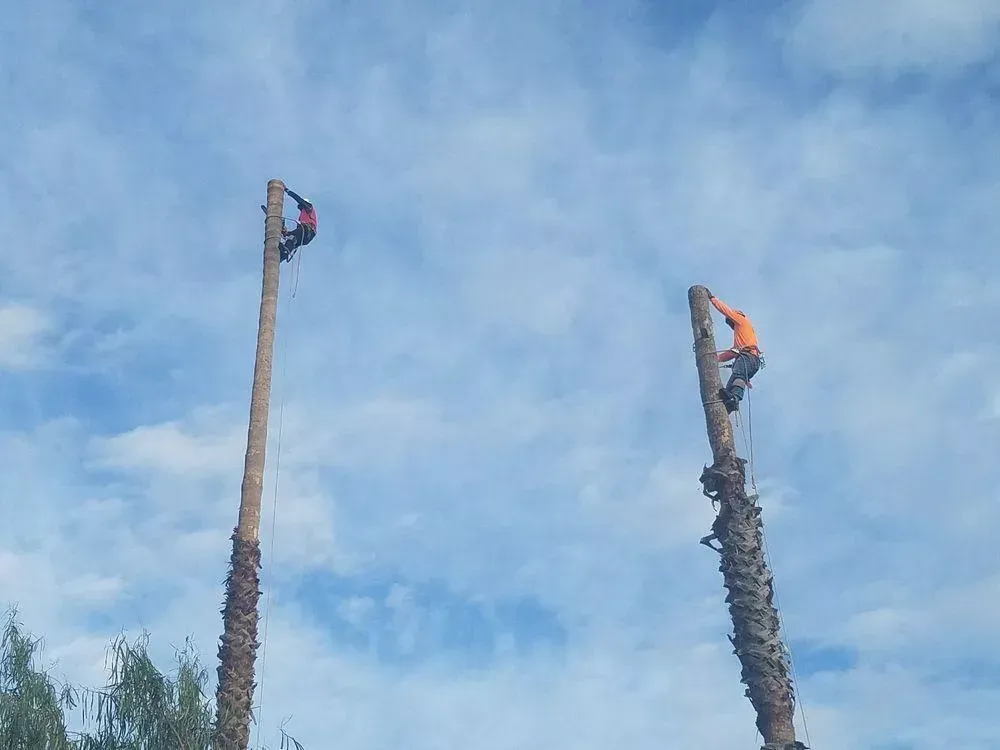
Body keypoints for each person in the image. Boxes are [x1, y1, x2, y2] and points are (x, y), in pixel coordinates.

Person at [706, 289, 762, 414]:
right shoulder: (743, 337)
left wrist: (712, 298)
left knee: (738, 376)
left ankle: (734, 398)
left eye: (731, 323)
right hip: (750, 359)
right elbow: (734, 352)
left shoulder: (741, 321)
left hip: (749, 358)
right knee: (730, 386)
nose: (731, 326)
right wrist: (717, 359)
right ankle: (729, 404)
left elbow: (726, 311)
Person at [278, 187, 318, 262]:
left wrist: (288, 191)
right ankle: (281, 257)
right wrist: (286, 233)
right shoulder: (302, 218)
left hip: (308, 231)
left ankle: (285, 251)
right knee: (292, 240)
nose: (301, 208)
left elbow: (299, 199)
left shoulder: (309, 208)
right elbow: (297, 232)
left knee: (292, 238)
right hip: (306, 237)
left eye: (301, 207)